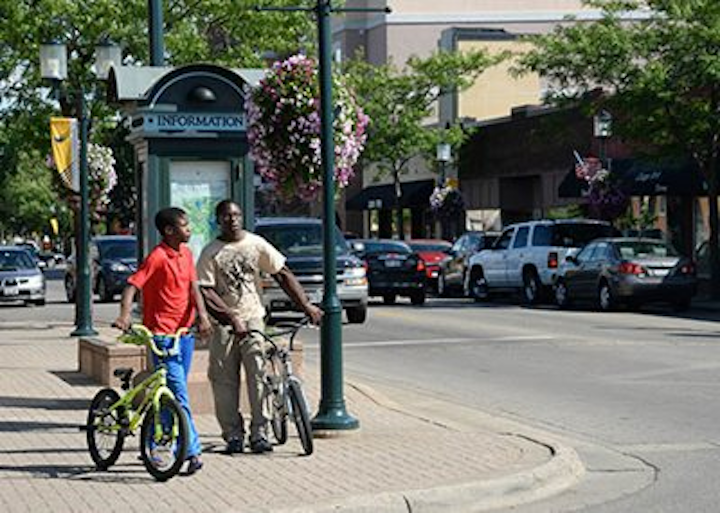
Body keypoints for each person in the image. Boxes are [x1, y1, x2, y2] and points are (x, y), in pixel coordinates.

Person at [197, 199, 323, 455]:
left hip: (253, 318)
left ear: (242, 217)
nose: (231, 219)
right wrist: (231, 318)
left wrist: (306, 306)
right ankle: (233, 435)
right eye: (226, 216)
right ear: (218, 220)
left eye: (236, 214)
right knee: (223, 381)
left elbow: (283, 274)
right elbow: (206, 291)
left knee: (258, 377)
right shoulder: (211, 251)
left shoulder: (256, 244)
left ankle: (260, 433)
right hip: (225, 324)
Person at [114, 207, 212, 475]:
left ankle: (156, 442)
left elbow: (193, 289)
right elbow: (132, 286)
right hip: (162, 336)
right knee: (179, 395)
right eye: (184, 225)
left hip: (184, 334)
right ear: (169, 231)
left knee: (168, 395)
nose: (189, 229)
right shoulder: (157, 257)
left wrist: (202, 317)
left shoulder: (187, 254)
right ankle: (192, 451)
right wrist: (124, 316)